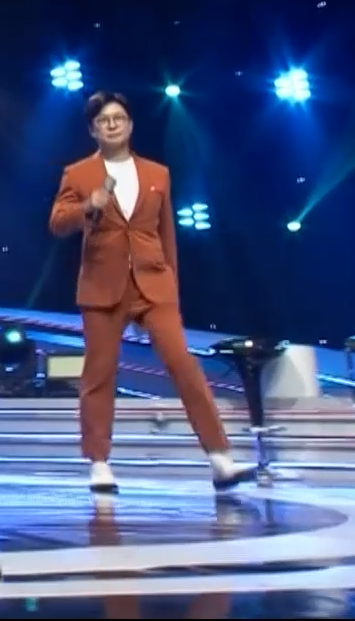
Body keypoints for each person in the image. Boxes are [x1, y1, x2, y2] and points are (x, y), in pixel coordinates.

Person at [48, 91, 253, 494]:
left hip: (153, 283)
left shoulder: (158, 173)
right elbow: (57, 223)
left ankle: (219, 457)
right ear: (93, 130)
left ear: (130, 125)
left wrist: (171, 286)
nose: (112, 125)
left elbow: (166, 234)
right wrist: (88, 205)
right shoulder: (78, 173)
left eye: (118, 118)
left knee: (183, 364)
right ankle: (99, 462)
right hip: (102, 285)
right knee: (99, 374)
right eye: (103, 120)